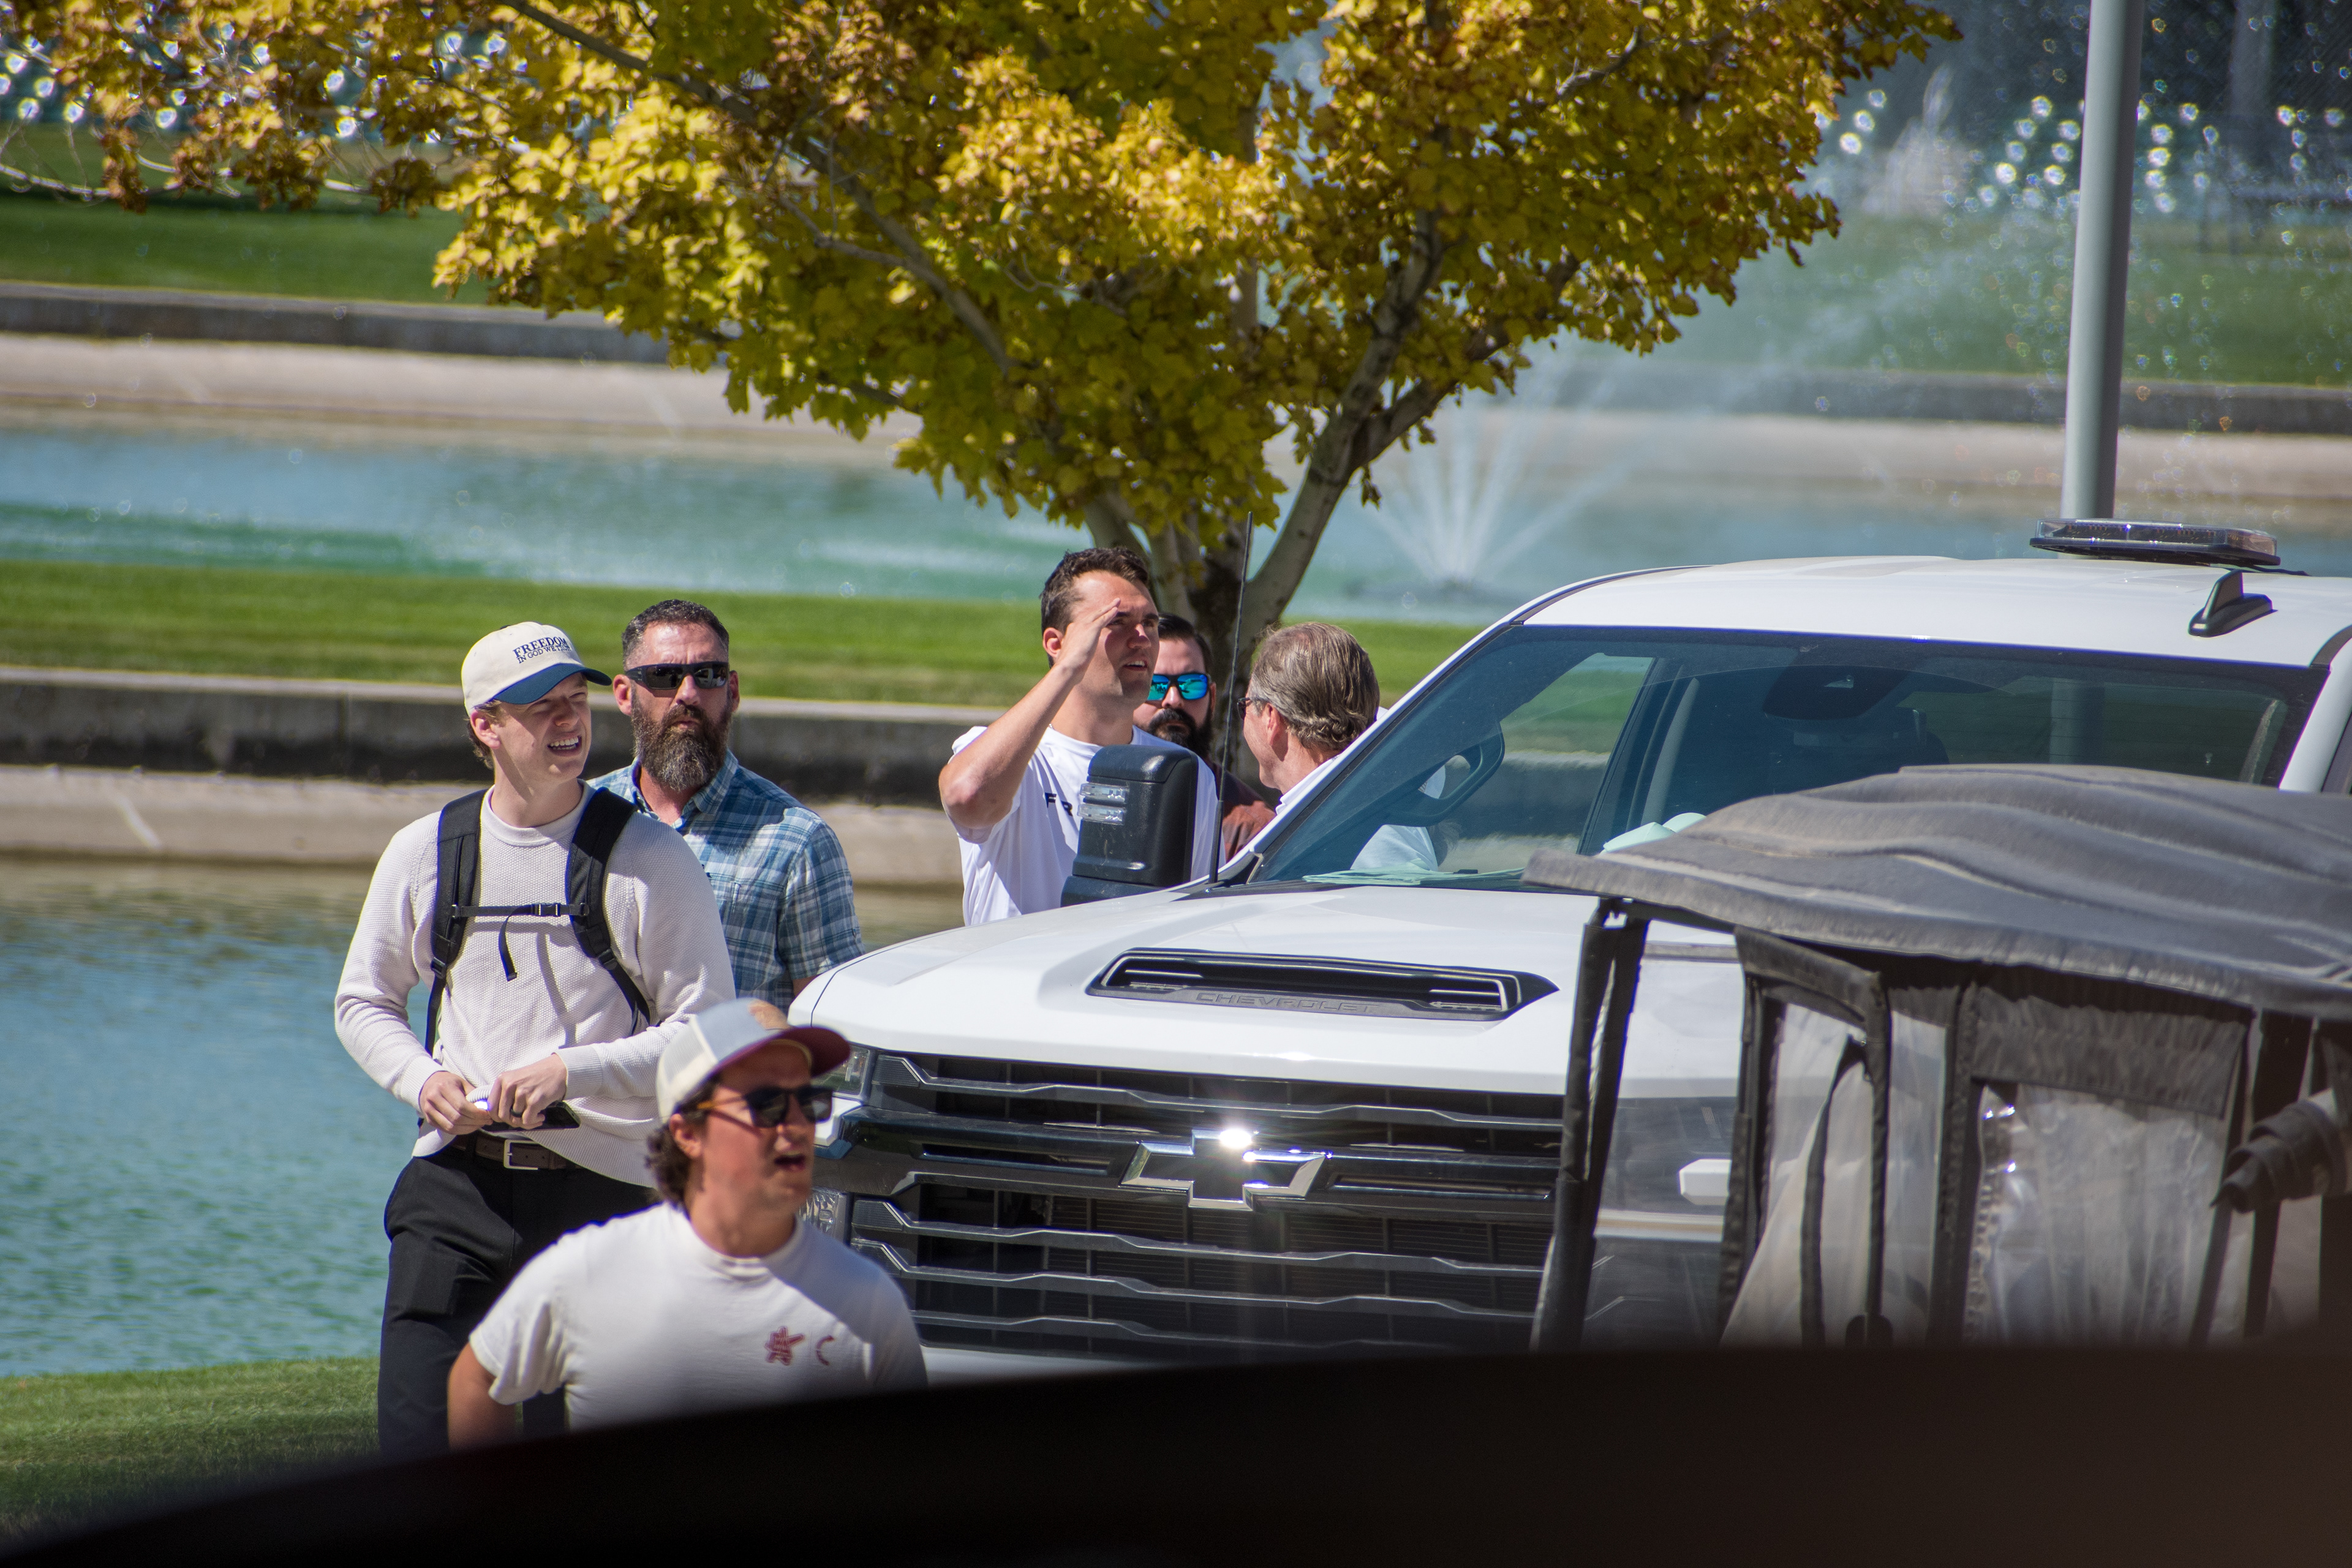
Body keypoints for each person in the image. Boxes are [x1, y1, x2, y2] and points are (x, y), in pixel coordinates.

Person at [336, 620, 737, 1459]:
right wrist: (422, 1083)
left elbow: (707, 1036)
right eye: (538, 706)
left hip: (606, 1199)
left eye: (574, 700)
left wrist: (569, 1072)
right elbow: (365, 1002)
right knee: (417, 1450)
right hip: (454, 1191)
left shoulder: (651, 860)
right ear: (486, 725)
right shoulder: (425, 852)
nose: (568, 720)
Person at [447, 999, 926, 1442]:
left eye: (810, 1103)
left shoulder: (867, 1301)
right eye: (768, 1106)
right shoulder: (592, 1270)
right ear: (688, 1134)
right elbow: (477, 1379)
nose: (798, 1125)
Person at [590, 598, 862, 1004]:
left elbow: (836, 1018)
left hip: (732, 1067)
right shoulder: (583, 816)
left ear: (732, 691)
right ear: (625, 694)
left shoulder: (798, 841)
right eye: (665, 676)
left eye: (707, 674)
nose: (689, 693)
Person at [939, 547, 1221, 924]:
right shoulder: (1015, 756)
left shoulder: (1181, 773)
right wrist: (1068, 669)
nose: (1142, 639)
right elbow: (968, 797)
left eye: (1150, 623)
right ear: (1056, 644)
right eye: (1116, 622)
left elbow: (1199, 916)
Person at [1242, 621, 1437, 871]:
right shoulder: (1381, 802)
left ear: (1271, 717)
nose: (1244, 717)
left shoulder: (1334, 834)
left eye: (1244, 705)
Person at [1132, 612, 1276, 859]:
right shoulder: (1094, 790)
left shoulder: (1252, 829)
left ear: (1211, 697)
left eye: (1191, 684)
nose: (1174, 700)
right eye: (1156, 684)